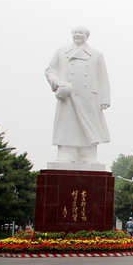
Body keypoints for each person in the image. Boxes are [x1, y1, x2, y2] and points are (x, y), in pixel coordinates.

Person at [45, 26, 111, 164]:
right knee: (67, 126)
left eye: (80, 33)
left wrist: (105, 98)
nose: (77, 35)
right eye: (75, 33)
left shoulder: (96, 54)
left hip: (89, 98)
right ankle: (66, 155)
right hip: (68, 96)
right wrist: (56, 82)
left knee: (89, 126)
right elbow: (50, 70)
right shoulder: (61, 52)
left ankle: (87, 156)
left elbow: (102, 77)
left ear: (87, 36)